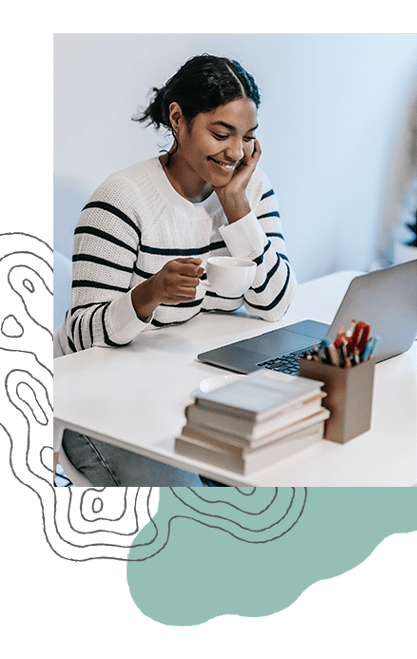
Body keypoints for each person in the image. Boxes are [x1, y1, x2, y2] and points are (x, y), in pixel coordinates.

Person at [53, 54, 297, 486]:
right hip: (100, 411)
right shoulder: (122, 200)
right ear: (178, 119)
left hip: (192, 393)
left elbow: (275, 302)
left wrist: (237, 208)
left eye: (247, 138)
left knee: (280, 466)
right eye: (221, 134)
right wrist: (148, 294)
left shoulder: (251, 190)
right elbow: (78, 337)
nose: (236, 153)